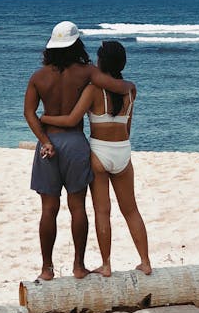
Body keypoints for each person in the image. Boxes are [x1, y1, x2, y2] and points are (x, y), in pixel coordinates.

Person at [24, 21, 134, 282]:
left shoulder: (38, 77)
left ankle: (47, 269)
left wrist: (44, 139)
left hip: (48, 142)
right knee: (77, 208)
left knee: (48, 209)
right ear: (77, 44)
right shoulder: (87, 72)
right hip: (75, 144)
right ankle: (78, 266)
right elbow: (120, 87)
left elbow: (29, 113)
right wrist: (130, 84)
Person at [40, 40, 151, 277]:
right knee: (131, 210)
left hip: (100, 151)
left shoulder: (93, 90)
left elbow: (71, 120)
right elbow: (128, 127)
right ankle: (145, 261)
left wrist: (46, 119)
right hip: (123, 150)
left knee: (103, 211)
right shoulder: (131, 90)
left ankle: (107, 265)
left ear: (101, 63)